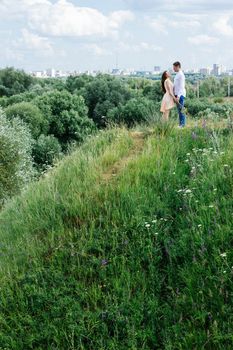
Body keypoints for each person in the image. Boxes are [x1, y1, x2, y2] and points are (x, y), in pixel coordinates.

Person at [173, 61, 187, 127]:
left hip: (180, 95)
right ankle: (180, 124)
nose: (173, 69)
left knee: (181, 109)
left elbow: (181, 87)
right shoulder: (177, 74)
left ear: (178, 66)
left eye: (174, 67)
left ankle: (182, 125)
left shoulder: (181, 75)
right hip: (177, 94)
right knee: (179, 110)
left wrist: (178, 96)